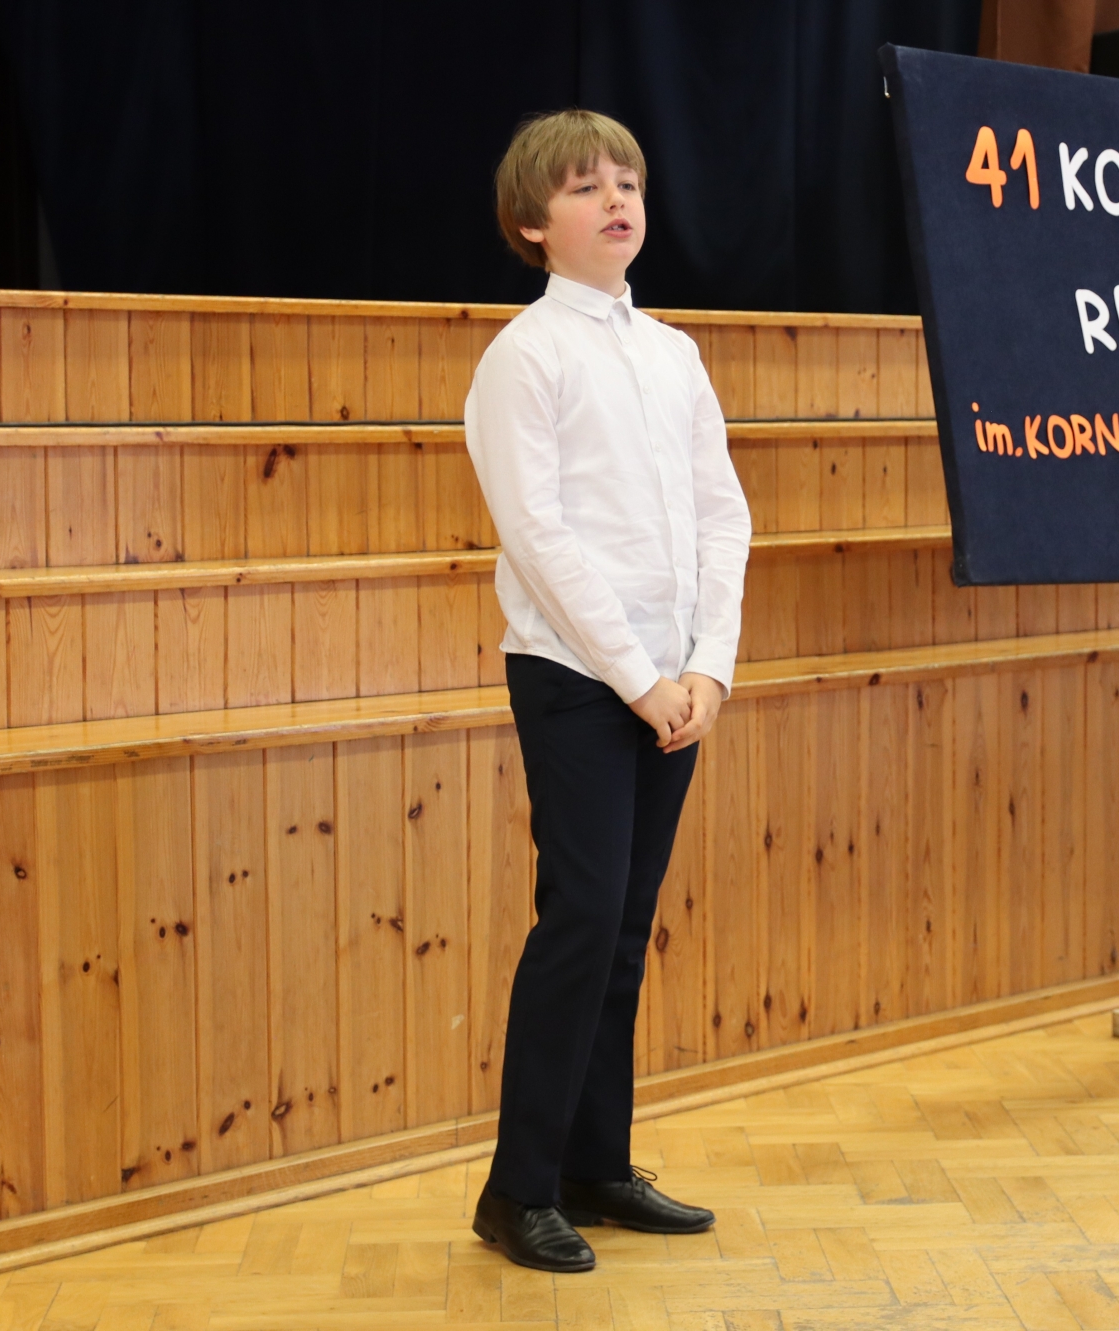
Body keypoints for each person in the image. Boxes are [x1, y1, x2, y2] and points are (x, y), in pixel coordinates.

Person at [463, 109, 753, 1274]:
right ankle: (516, 1187)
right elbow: (538, 536)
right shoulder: (523, 357)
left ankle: (595, 1162)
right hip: (579, 678)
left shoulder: (672, 352)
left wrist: (708, 663)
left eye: (625, 180)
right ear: (533, 222)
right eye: (585, 186)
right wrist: (637, 678)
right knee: (578, 921)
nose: (615, 200)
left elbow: (720, 511)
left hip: (673, 684)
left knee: (624, 927)